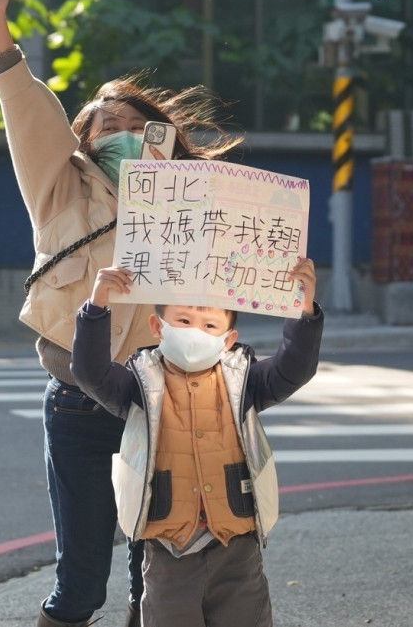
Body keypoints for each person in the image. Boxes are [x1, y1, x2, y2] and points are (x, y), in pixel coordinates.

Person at [0, 0, 241, 627]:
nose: (116, 131)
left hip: (164, 406)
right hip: (79, 402)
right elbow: (28, 115)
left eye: (132, 122)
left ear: (158, 133)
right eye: (102, 124)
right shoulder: (59, 189)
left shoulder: (193, 202)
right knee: (79, 585)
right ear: (83, 141)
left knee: (154, 582)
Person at [70, 259, 323, 627]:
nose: (195, 333)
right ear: (158, 326)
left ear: (228, 339)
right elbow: (89, 372)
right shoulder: (138, 383)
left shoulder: (244, 382)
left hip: (237, 545)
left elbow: (295, 368)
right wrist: (97, 306)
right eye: (183, 321)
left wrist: (305, 311)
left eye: (209, 325)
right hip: (168, 549)